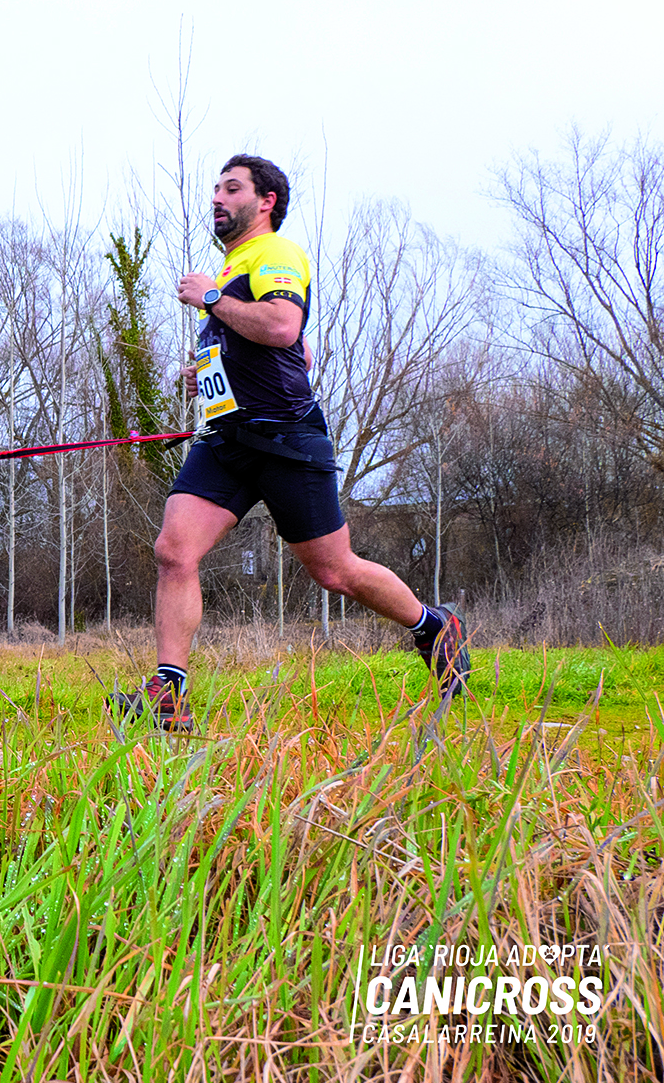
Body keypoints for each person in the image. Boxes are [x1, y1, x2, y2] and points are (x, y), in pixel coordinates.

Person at [110, 154, 468, 733]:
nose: (217, 199)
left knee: (335, 572)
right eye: (216, 190)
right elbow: (262, 346)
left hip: (286, 440)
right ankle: (168, 692)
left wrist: (207, 300)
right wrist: (200, 367)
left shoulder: (275, 253)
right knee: (174, 551)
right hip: (226, 442)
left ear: (266, 201)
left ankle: (433, 627)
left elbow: (281, 327)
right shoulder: (232, 270)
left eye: (232, 188)